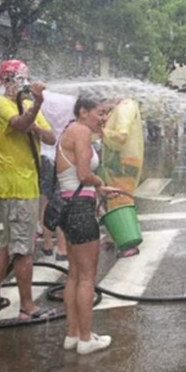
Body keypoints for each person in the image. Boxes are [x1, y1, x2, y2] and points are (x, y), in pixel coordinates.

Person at [0, 59, 56, 320]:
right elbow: (20, 125)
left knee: (7, 243)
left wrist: (34, 115)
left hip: (27, 183)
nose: (22, 83)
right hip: (16, 185)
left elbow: (50, 137)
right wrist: (36, 104)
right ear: (4, 80)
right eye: (17, 78)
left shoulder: (27, 105)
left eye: (25, 78)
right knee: (24, 248)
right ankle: (28, 306)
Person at [57, 94, 121, 355]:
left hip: (69, 207)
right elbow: (84, 174)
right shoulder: (81, 131)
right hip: (81, 210)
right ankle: (86, 339)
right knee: (86, 277)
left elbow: (76, 176)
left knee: (73, 274)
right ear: (83, 111)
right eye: (100, 113)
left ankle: (72, 334)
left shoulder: (70, 130)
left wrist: (99, 188)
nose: (103, 118)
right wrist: (98, 183)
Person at [100, 96, 144, 257]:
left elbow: (121, 136)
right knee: (113, 199)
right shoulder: (119, 107)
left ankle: (129, 243)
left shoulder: (125, 106)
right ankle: (113, 237)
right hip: (118, 161)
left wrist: (100, 131)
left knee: (121, 198)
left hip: (124, 161)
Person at [37, 90, 76, 260]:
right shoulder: (72, 102)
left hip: (44, 154)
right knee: (60, 201)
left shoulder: (42, 102)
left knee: (45, 199)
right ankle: (62, 247)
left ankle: (47, 243)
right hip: (62, 155)